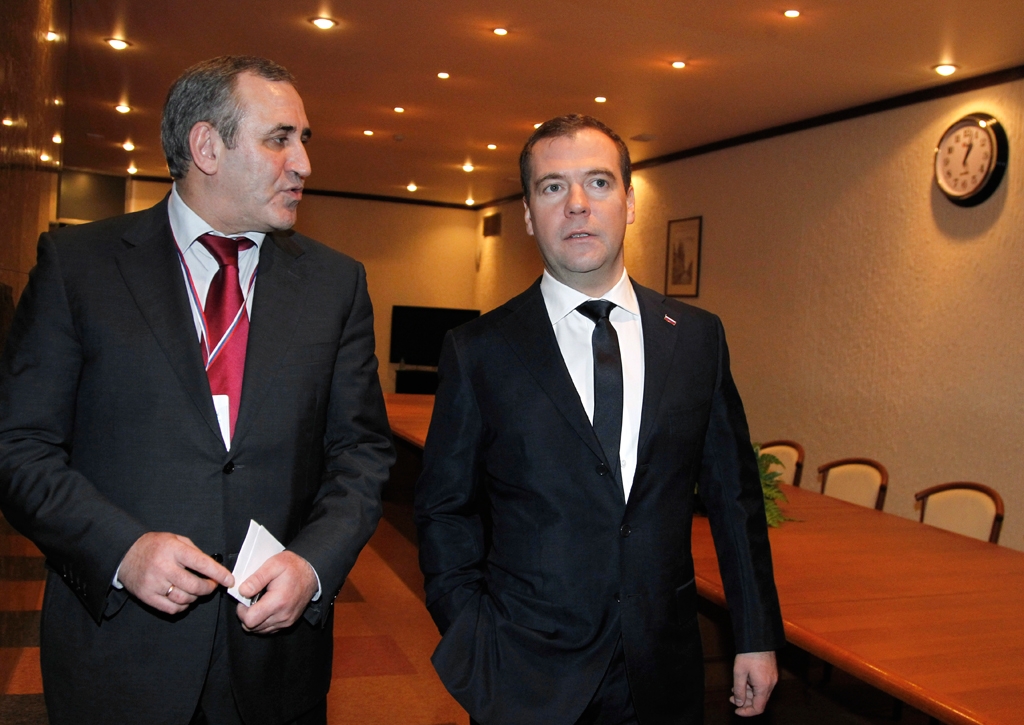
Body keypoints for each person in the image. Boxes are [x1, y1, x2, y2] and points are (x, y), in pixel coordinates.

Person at [0, 56, 394, 725]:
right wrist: (122, 550)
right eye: (279, 139)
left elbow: (361, 453)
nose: (303, 164)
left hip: (275, 663)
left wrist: (312, 565)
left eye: (304, 140)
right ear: (207, 147)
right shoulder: (79, 267)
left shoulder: (337, 285)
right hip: (120, 652)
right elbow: (19, 447)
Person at [415, 114, 785, 724]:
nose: (578, 204)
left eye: (598, 182)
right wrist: (471, 631)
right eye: (552, 187)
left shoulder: (697, 338)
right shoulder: (478, 349)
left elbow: (734, 500)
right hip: (523, 671)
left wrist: (755, 634)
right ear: (529, 214)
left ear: (630, 203)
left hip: (662, 666)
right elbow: (443, 509)